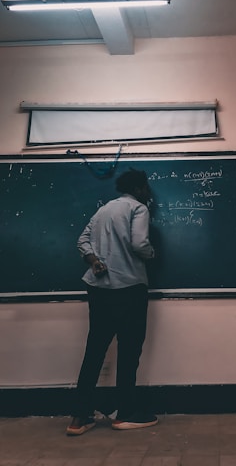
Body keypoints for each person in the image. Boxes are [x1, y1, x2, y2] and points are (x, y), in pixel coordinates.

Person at [66, 168, 157, 436]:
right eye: (147, 187)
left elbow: (82, 240)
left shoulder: (103, 210)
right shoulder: (138, 208)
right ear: (139, 188)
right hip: (129, 289)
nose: (149, 192)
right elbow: (139, 243)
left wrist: (94, 260)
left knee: (94, 351)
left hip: (100, 289)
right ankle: (126, 414)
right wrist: (152, 254)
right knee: (129, 353)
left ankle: (79, 418)